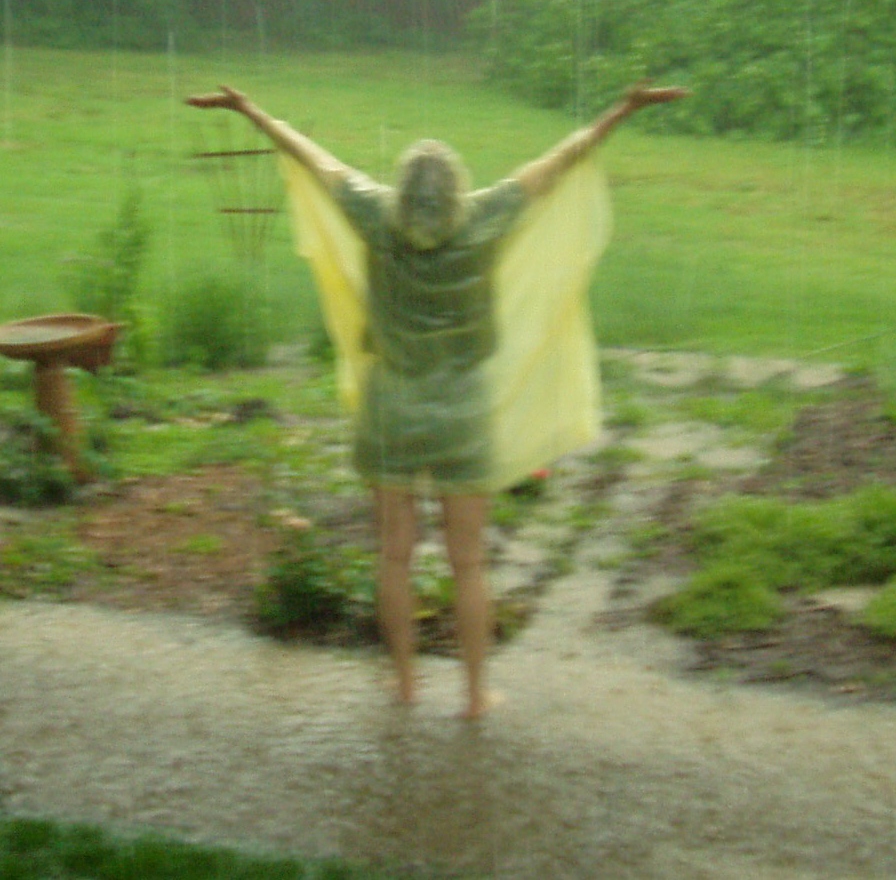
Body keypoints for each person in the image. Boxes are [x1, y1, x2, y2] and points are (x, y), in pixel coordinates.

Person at [187, 81, 687, 716]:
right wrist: (624, 109)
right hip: (464, 416)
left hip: (390, 410)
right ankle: (476, 696)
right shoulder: (486, 216)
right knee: (469, 566)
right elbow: (561, 161)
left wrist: (249, 110)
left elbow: (315, 159)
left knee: (393, 558)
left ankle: (404, 683)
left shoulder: (373, 214)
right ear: (456, 188)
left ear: (403, 189)